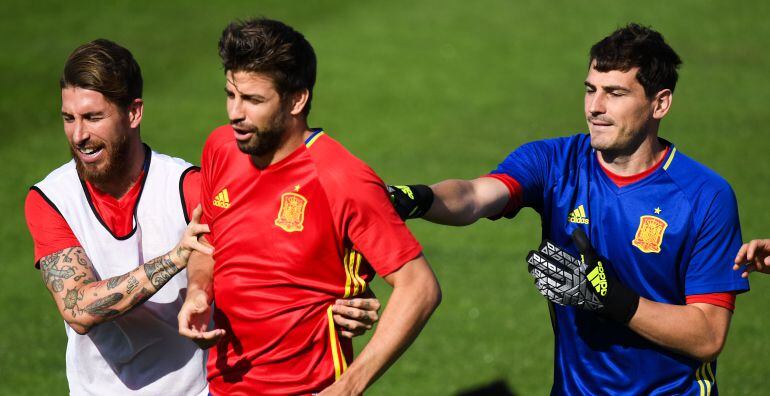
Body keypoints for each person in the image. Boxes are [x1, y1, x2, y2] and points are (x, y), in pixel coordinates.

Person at [389, 24, 748, 394]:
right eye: (591, 90)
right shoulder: (554, 163)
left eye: (615, 93)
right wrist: (419, 198)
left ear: (660, 103)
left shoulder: (705, 196)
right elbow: (474, 196)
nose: (595, 107)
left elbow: (707, 335)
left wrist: (615, 301)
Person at [25, 39, 380, 395]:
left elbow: (275, 256)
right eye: (69, 118)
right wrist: (176, 257)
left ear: (133, 113)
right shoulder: (52, 198)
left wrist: (336, 305)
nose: (79, 135)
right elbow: (78, 307)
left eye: (93, 118)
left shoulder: (188, 188)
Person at [177, 18, 441, 395]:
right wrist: (198, 291)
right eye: (231, 95)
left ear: (297, 100)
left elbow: (419, 287)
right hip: (222, 387)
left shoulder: (343, 179)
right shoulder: (221, 147)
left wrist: (348, 388)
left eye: (253, 100)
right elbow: (210, 241)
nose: (235, 113)